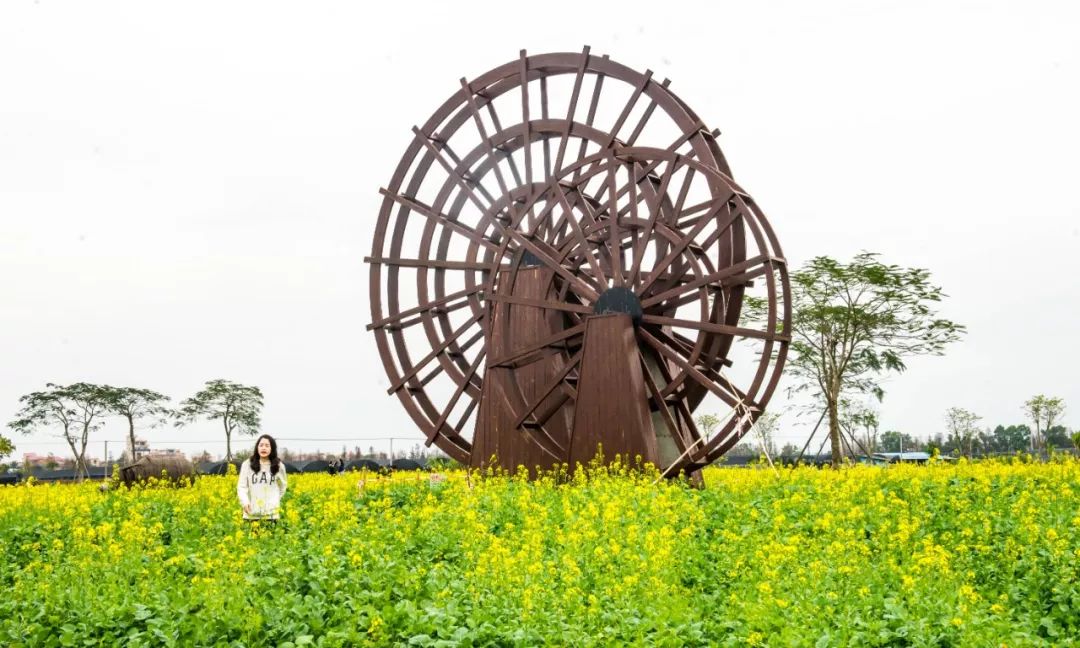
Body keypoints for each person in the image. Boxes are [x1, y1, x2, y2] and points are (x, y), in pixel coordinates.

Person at [237, 434, 287, 524]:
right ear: (257, 448)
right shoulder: (247, 464)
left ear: (272, 448)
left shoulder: (279, 466)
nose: (263, 448)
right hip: (251, 514)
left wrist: (275, 501)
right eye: (261, 445)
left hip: (271, 514)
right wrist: (244, 502)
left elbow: (283, 486)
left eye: (267, 446)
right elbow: (242, 486)